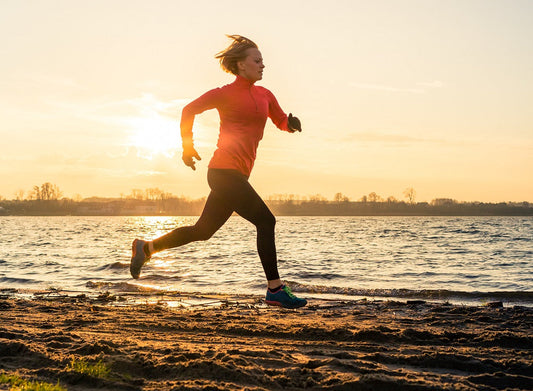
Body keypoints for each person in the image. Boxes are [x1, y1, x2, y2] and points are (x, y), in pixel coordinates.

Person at [130, 35, 307, 309]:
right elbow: (188, 110)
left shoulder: (265, 95)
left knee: (203, 230)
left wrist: (291, 125)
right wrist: (187, 147)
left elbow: (280, 120)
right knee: (266, 221)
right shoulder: (223, 93)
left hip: (238, 175)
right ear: (240, 65)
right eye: (257, 60)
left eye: (263, 61)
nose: (263, 65)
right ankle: (275, 289)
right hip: (223, 172)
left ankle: (146, 248)